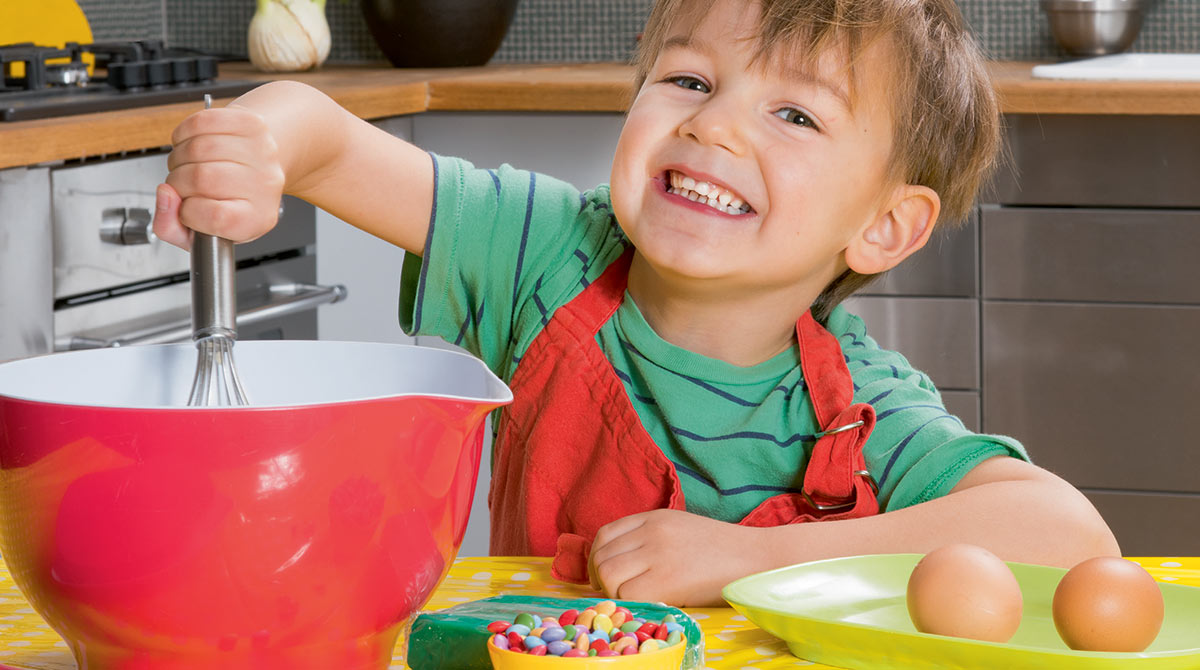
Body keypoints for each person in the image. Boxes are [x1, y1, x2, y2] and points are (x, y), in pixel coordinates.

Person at [154, 0, 1119, 607]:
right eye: (688, 80)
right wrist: (254, 143)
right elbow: (323, 136)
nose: (712, 123)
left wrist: (743, 561)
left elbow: (1067, 535)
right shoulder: (541, 256)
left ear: (884, 226)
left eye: (794, 114)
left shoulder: (859, 407)